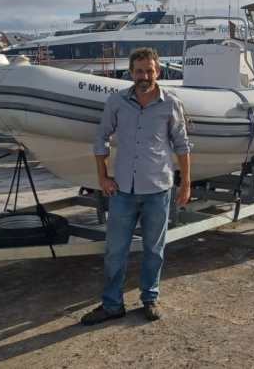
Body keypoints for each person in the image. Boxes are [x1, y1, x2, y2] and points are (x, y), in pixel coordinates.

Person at [81, 47, 191, 325]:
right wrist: (103, 177)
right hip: (123, 191)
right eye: (139, 71)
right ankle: (112, 304)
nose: (144, 76)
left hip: (157, 188)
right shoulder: (116, 102)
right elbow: (101, 139)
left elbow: (182, 145)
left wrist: (186, 183)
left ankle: (150, 298)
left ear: (158, 71)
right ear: (131, 73)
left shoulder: (170, 104)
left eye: (149, 70)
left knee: (154, 250)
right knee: (115, 250)